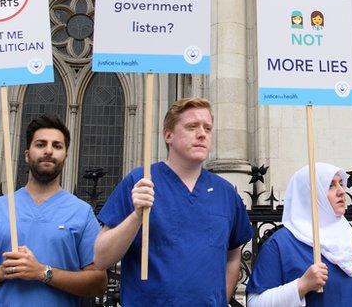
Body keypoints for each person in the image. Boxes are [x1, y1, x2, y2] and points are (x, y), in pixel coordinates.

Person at [95, 97, 253, 304]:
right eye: (192, 126)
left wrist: (220, 298)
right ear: (168, 135)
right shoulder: (141, 182)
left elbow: (233, 256)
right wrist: (136, 216)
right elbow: (101, 258)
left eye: (207, 128)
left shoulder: (225, 193)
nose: (202, 134)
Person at [0, 115, 107, 305]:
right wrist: (0, 272)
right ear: (27, 154)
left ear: (65, 156)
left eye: (57, 146)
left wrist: (42, 272)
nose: (48, 151)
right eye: (40, 144)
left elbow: (98, 283)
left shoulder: (82, 212)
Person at [246, 163, 352, 306]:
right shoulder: (280, 244)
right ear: (309, 194)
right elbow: (254, 303)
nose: (341, 191)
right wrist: (301, 286)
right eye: (330, 185)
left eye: (341, 184)